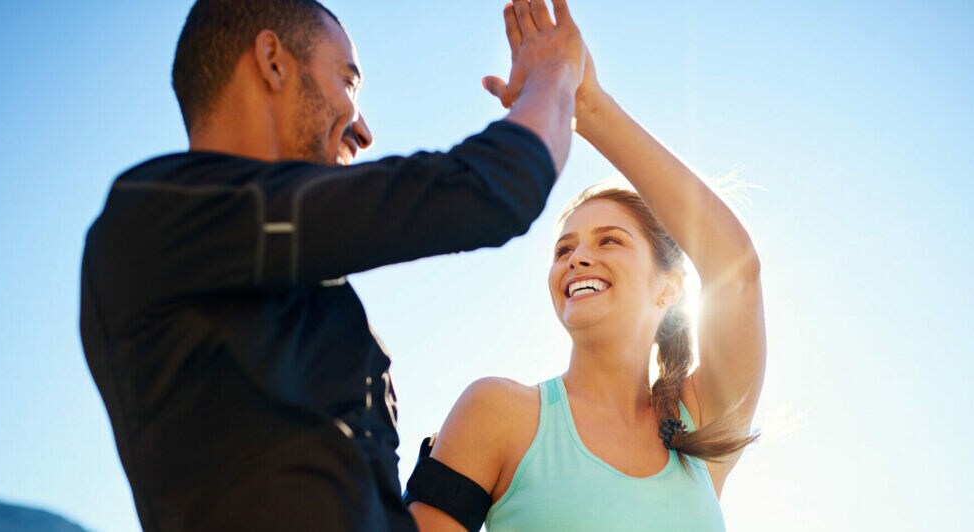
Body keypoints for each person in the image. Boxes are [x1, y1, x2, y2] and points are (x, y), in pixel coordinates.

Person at [79, 0, 587, 530]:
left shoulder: (312, 296)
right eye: (348, 83)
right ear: (273, 60)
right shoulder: (159, 217)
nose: (363, 130)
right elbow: (484, 192)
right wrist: (553, 74)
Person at [405, 3, 766, 530]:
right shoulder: (499, 414)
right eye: (563, 249)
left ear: (669, 288)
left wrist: (590, 108)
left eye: (610, 240)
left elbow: (738, 269)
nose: (578, 257)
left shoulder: (699, 424)